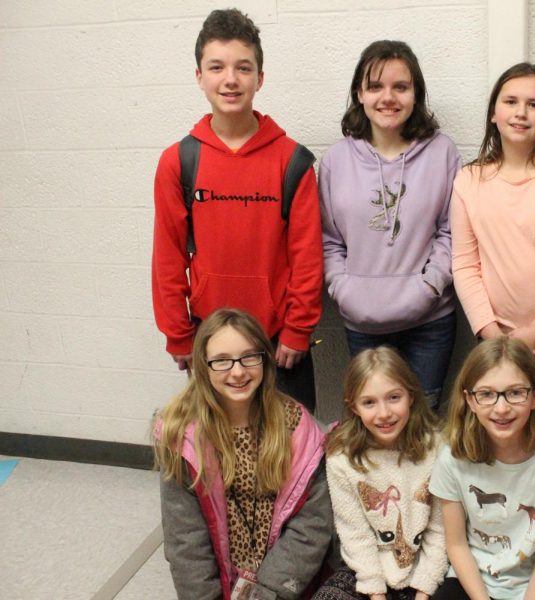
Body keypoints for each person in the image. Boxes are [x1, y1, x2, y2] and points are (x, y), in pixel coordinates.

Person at [152, 8, 322, 412]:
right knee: (219, 458)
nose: (230, 79)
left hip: (279, 343)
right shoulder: (178, 162)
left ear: (259, 78)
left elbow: (308, 259)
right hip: (211, 343)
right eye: (217, 67)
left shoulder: (292, 161)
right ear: (199, 76)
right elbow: (168, 258)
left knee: (290, 460)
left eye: (243, 68)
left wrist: (297, 331)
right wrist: (179, 335)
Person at [319, 40, 461, 409]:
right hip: (363, 322)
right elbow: (328, 240)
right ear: (359, 94)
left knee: (422, 420)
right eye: (376, 86)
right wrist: (342, 287)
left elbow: (451, 230)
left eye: (401, 87)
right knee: (377, 422)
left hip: (430, 320)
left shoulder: (442, 152)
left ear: (416, 95)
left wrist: (431, 284)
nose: (388, 97)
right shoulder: (336, 159)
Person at [154, 308, 333, 600]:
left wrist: (267, 593)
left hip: (284, 585)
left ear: (265, 359)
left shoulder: (298, 429)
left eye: (249, 357)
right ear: (203, 365)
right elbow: (185, 541)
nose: (238, 371)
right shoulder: (182, 436)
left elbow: (311, 528)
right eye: (222, 360)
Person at [451, 62, 535, 430]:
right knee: (502, 445)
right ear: (494, 112)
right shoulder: (469, 180)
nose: (521, 112)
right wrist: (493, 335)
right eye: (510, 101)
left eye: (534, 104)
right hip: (495, 343)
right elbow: (464, 264)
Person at [429, 337, 535, 600]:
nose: (501, 408)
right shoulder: (451, 457)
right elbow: (456, 545)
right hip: (472, 580)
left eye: (515, 392)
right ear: (470, 401)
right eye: (487, 394)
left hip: (533, 583)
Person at [313, 347, 447, 600]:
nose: (384, 413)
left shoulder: (437, 448)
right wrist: (376, 593)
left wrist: (424, 590)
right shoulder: (342, 457)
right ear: (353, 407)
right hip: (367, 571)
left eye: (394, 397)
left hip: (426, 569)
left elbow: (440, 531)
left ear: (411, 396)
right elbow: (355, 534)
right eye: (369, 403)